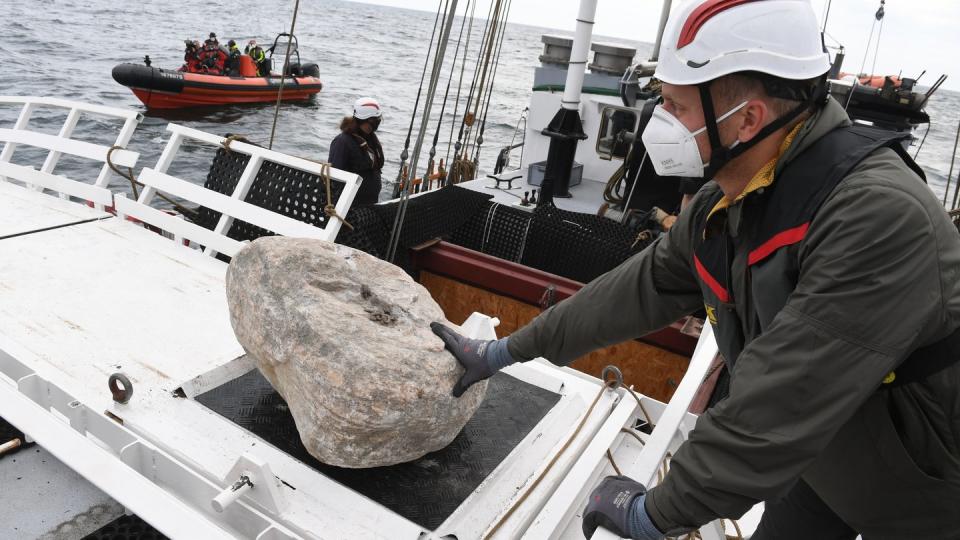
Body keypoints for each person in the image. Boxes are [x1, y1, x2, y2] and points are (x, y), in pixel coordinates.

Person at [431, 1, 960, 539]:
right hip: (825, 456)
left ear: (747, 119)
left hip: (925, 490)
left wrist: (652, 515)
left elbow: (780, 403)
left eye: (674, 105)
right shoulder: (726, 201)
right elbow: (631, 292)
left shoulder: (878, 218)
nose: (658, 122)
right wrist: (501, 352)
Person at [328, 98, 385, 206]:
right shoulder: (342, 142)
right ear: (365, 120)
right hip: (350, 207)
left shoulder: (370, 139)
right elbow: (335, 179)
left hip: (370, 204)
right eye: (375, 120)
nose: (378, 122)